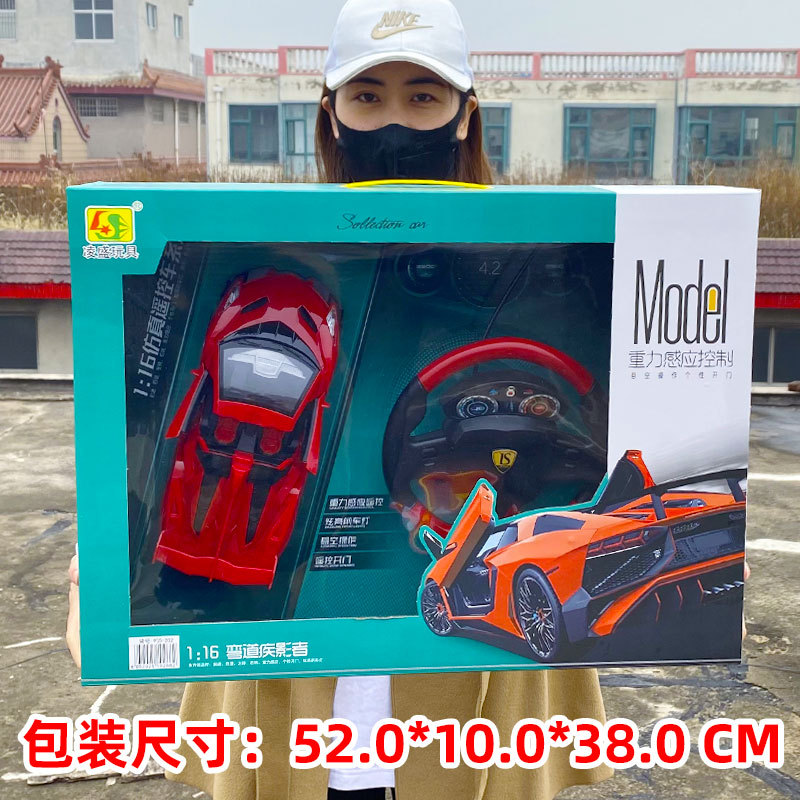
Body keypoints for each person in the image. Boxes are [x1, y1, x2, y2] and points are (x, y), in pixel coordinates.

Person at [64, 1, 746, 797]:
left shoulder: (547, 264)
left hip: (475, 686)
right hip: (292, 687)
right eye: (368, 96)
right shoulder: (261, 250)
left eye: (423, 96)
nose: (394, 120)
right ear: (331, 118)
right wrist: (107, 571)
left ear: (466, 116)